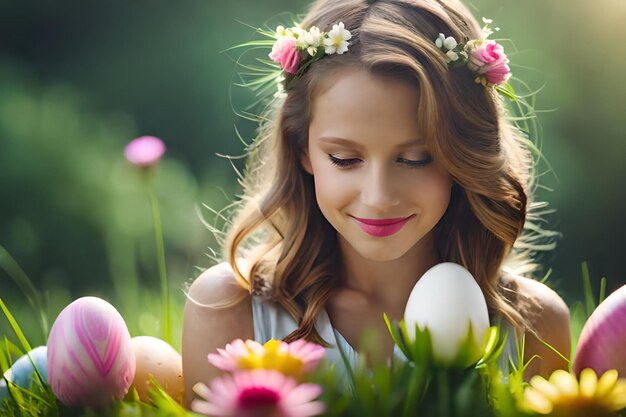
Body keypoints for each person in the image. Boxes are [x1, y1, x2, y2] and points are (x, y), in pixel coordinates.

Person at [182, 0, 571, 407]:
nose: (379, 196)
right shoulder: (231, 313)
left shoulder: (533, 327)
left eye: (417, 158)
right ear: (303, 150)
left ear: (465, 154)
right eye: (345, 159)